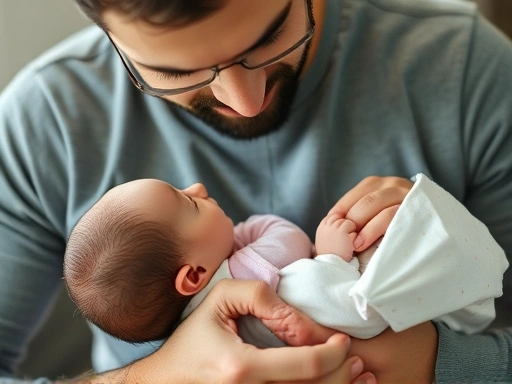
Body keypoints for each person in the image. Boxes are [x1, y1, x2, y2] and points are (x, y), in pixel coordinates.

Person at [0, 0, 511, 382]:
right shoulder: (43, 123)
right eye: (177, 73)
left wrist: (425, 364)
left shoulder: (470, 73)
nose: (245, 102)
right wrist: (154, 377)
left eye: (269, 38)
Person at [64, 175, 507, 346]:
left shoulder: (195, 325)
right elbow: (291, 246)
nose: (198, 186)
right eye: (189, 203)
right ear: (194, 275)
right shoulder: (243, 276)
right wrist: (332, 256)